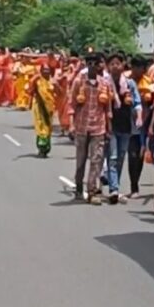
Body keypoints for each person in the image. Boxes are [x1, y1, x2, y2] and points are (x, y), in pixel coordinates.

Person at [70, 53, 113, 204]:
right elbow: (71, 105)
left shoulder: (104, 84)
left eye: (96, 63)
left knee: (96, 160)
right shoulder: (78, 82)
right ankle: (79, 187)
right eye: (90, 63)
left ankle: (92, 191)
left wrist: (109, 128)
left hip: (98, 127)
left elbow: (108, 109)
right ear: (86, 65)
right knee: (81, 161)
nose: (93, 66)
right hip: (81, 126)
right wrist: (71, 125)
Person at [105, 52, 142, 204]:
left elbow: (137, 103)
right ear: (108, 66)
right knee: (112, 157)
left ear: (122, 66)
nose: (115, 66)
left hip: (126, 125)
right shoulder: (105, 83)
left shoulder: (129, 84)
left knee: (120, 157)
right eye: (112, 63)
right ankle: (114, 188)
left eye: (117, 63)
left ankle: (115, 186)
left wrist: (139, 117)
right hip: (110, 125)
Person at [128, 56, 154, 199]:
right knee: (131, 156)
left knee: (138, 156)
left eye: (143, 68)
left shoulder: (150, 82)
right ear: (132, 67)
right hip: (126, 123)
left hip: (143, 124)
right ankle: (133, 186)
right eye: (138, 68)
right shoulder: (125, 80)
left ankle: (135, 186)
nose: (141, 71)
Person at [28, 63, 56, 157]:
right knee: (41, 127)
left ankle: (47, 148)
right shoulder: (37, 81)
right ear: (41, 71)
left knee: (48, 128)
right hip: (39, 107)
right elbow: (29, 91)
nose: (46, 72)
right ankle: (41, 148)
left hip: (50, 108)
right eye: (44, 70)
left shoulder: (53, 81)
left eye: (48, 70)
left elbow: (60, 93)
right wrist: (33, 80)